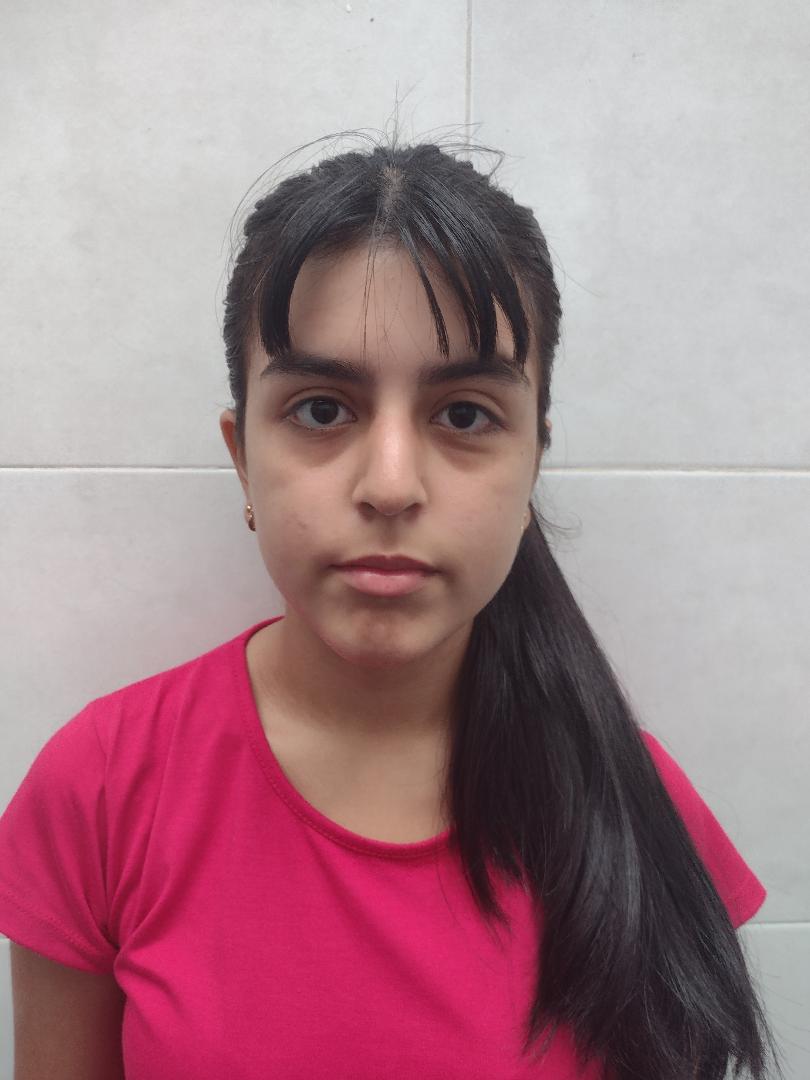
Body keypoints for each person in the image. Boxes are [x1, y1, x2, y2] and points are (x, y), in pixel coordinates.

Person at [0, 130, 784, 1080]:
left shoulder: (639, 815)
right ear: (242, 457)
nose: (390, 485)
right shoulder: (102, 788)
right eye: (322, 409)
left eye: (465, 415)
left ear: (532, 461)